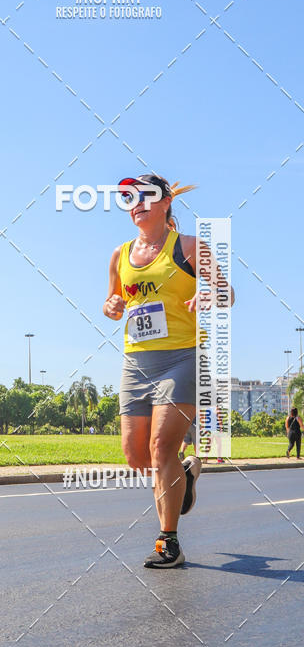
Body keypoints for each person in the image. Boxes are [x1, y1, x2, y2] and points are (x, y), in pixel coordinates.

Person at [103, 173, 235, 568]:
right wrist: (110, 307)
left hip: (183, 357)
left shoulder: (191, 247)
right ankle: (186, 477)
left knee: (161, 448)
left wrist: (209, 293)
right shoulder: (120, 255)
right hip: (136, 361)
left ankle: (168, 541)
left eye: (146, 196)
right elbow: (113, 300)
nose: (137, 203)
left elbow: (228, 293)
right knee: (136, 456)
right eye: (130, 198)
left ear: (165, 203)